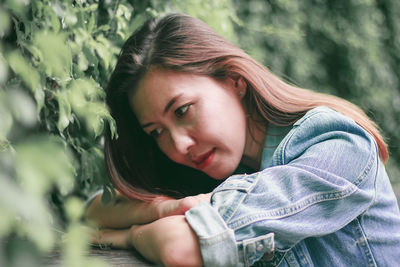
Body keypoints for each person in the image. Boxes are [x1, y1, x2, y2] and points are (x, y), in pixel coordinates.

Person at [85, 13, 400, 267]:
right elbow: (96, 208)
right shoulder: (221, 172)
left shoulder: (338, 146)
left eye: (182, 111)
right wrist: (168, 209)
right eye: (156, 132)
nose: (178, 146)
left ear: (234, 81)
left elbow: (181, 247)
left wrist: (130, 237)